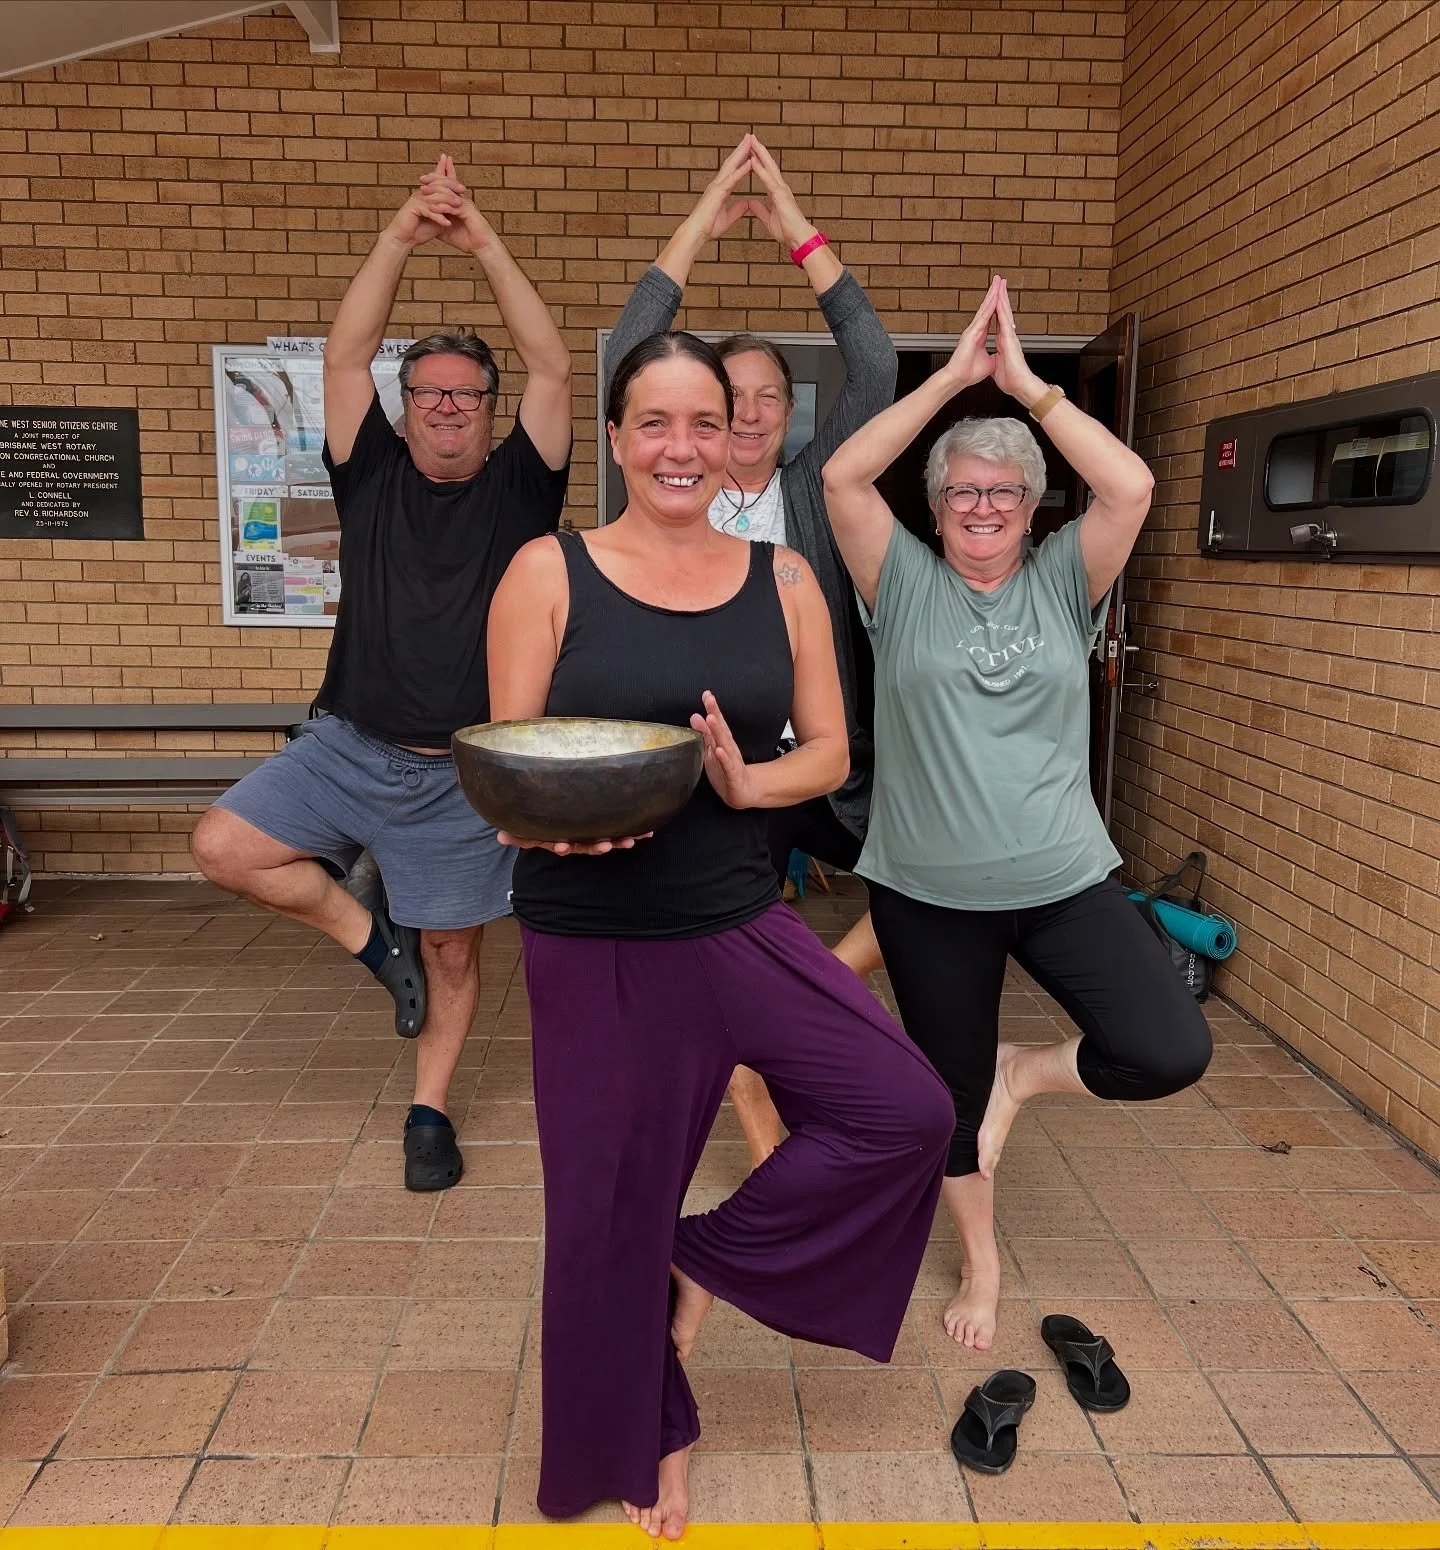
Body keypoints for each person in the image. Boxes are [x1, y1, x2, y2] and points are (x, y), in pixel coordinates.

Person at [487, 330, 953, 1539]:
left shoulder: (785, 578)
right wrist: (552, 832)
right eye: (656, 422)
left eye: (712, 419)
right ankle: (649, 1438)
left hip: (739, 918)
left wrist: (758, 789)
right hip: (590, 937)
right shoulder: (548, 570)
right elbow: (507, 764)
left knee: (905, 1107)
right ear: (619, 436)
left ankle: (700, 1263)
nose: (683, 446)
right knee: (601, 1209)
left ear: (751, 431)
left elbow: (836, 753)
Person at [821, 275, 1212, 1353]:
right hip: (928, 893)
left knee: (1167, 1045)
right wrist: (950, 377)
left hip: (1064, 880)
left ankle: (1027, 1073)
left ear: (1035, 506)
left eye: (1005, 492)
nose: (983, 506)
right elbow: (845, 472)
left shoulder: (1062, 579)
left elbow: (1128, 486)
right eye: (962, 490)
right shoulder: (895, 579)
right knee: (946, 1102)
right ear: (936, 505)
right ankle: (983, 1264)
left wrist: (1033, 392)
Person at [192, 157, 572, 1193]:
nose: (449, 406)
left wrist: (484, 238)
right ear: (406, 405)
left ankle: (429, 1109)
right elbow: (347, 352)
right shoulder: (368, 476)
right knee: (224, 844)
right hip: (351, 744)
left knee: (457, 954)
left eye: (467, 393)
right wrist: (403, 232)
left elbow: (553, 367)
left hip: (462, 770)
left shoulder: (521, 493)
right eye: (430, 391)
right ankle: (372, 940)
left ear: (489, 409)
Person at [605, 134, 894, 1166]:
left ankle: (810, 1006)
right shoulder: (664, 498)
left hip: (823, 757)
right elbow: (630, 342)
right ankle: (754, 1093)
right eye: (738, 396)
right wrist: (701, 214)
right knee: (726, 936)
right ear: (706, 413)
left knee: (925, 892)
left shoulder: (815, 492)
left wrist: (790, 224)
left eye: (775, 395)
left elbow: (877, 360)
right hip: (712, 764)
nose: (757, 411)